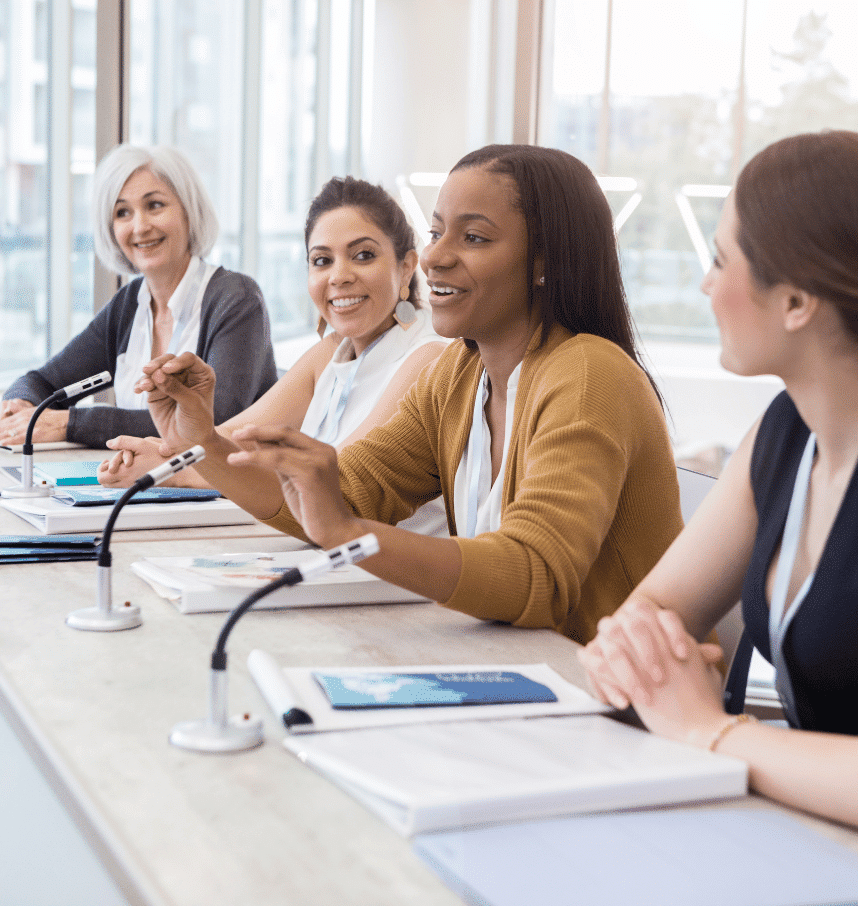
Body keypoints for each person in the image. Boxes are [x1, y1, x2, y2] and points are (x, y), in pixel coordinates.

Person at [135, 144, 683, 643]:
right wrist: (202, 438)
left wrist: (350, 533)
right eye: (437, 232)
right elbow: (340, 495)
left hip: (607, 708)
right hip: (518, 674)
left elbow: (536, 576)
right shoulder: (459, 375)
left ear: (544, 262)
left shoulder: (588, 374)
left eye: (473, 238)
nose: (435, 256)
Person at [580, 131, 858, 828]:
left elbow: (693, 714)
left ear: (795, 302)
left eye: (719, 260)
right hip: (801, 826)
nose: (705, 284)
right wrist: (638, 659)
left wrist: (711, 731)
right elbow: (649, 617)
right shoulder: (783, 434)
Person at [97, 176, 448, 535]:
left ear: (406, 267)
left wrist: (177, 469)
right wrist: (166, 453)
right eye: (322, 260)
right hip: (331, 563)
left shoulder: (427, 358)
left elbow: (336, 488)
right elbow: (236, 437)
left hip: (391, 579)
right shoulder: (331, 351)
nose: (339, 276)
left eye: (363, 256)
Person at [0, 144, 277, 448]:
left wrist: (71, 422)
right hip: (144, 484)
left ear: (188, 210)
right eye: (123, 212)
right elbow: (41, 382)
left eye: (155, 205)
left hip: (225, 492)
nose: (140, 226)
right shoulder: (129, 305)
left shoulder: (237, 299)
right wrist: (20, 408)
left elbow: (214, 422)